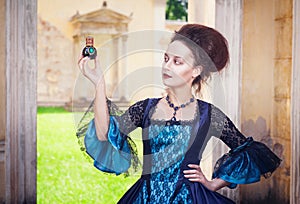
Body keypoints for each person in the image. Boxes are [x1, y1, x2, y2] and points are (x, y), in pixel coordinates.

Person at [77, 24, 281, 203]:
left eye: (177, 61)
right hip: (146, 197)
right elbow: (104, 135)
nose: (167, 66)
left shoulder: (210, 116)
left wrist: (213, 184)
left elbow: (252, 153)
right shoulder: (145, 109)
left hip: (190, 197)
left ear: (196, 71)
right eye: (166, 58)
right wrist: (99, 83)